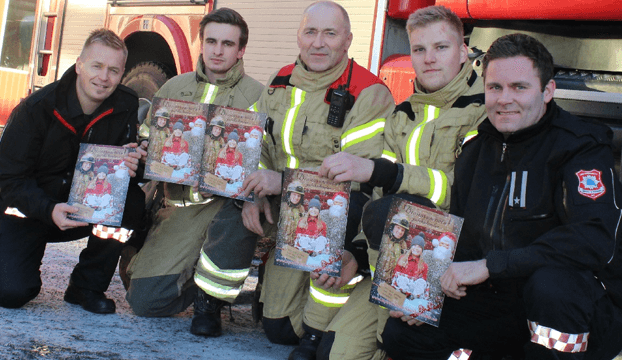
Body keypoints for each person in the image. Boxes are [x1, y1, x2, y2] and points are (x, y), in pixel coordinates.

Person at [382, 33, 622, 360]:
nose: (504, 99)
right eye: (495, 88)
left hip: (574, 309)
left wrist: (491, 266)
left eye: (519, 87)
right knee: (403, 333)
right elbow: (466, 240)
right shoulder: (474, 150)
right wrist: (428, 290)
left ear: (547, 91)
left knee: (552, 285)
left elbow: (594, 239)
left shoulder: (581, 146)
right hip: (502, 302)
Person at [310, 6, 487, 359]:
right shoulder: (403, 113)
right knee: (335, 353)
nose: (429, 59)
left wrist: (388, 173)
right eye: (419, 50)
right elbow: (377, 199)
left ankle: (398, 338)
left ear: (464, 50)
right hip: (392, 257)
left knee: (393, 212)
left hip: (452, 263)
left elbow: (463, 194)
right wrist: (356, 254)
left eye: (441, 47)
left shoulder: (485, 109)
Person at [239, 2, 395, 359]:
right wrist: (252, 194)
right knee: (277, 328)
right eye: (311, 32)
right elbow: (256, 144)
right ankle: (280, 282)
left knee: (286, 331)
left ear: (348, 41)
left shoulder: (368, 93)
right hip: (284, 210)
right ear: (298, 36)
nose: (318, 43)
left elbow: (356, 184)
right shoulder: (279, 82)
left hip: (335, 217)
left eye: (330, 34)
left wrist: (282, 182)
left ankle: (320, 328)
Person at [0, 28, 145, 314]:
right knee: (11, 292)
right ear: (80, 65)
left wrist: (136, 164)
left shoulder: (126, 104)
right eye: (97, 66)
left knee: (130, 201)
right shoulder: (35, 109)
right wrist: (48, 209)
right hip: (24, 210)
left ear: (122, 74)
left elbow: (125, 164)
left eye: (113, 70)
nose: (104, 78)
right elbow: (6, 181)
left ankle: (86, 287)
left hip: (79, 207)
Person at [124, 7, 264, 338]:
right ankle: (195, 269)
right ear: (201, 43)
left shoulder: (259, 97)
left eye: (228, 44)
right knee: (144, 301)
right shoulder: (174, 87)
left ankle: (210, 303)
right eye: (211, 41)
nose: (218, 50)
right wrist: (141, 153)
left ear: (241, 50)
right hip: (179, 208)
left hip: (225, 206)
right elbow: (148, 137)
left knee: (235, 214)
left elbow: (267, 158)